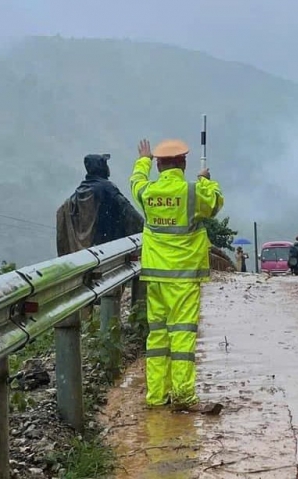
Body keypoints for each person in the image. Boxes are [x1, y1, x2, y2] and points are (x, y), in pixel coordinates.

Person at [131, 138, 225, 414]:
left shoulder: (147, 192)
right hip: (182, 276)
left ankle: (157, 395)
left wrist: (143, 160)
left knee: (158, 337)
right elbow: (216, 203)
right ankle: (183, 395)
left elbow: (135, 181)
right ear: (183, 163)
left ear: (159, 164)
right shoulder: (193, 192)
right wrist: (206, 179)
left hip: (155, 277)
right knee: (182, 336)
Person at [56, 153, 144, 256]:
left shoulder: (79, 192)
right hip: (108, 251)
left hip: (88, 253)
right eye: (105, 164)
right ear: (101, 167)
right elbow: (130, 213)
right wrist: (147, 229)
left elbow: (62, 213)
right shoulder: (108, 189)